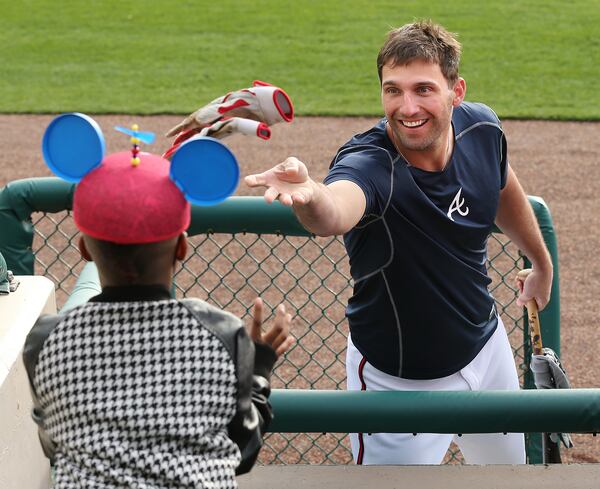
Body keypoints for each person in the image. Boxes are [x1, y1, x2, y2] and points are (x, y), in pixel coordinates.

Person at [245, 20, 553, 465]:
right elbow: (334, 210)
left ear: (456, 90)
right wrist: (311, 195)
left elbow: (500, 182)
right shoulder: (370, 164)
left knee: (509, 477)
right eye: (393, 90)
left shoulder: (481, 129)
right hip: (398, 383)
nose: (407, 107)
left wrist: (540, 261)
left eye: (423, 89)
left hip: (486, 353)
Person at [23, 128, 294, 488]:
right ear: (181, 248)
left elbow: (55, 445)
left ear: (84, 250)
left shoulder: (44, 341)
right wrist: (259, 368)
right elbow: (241, 451)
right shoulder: (222, 334)